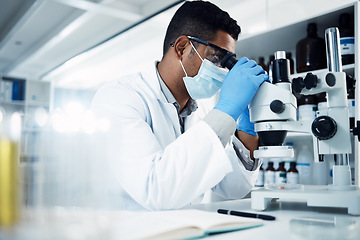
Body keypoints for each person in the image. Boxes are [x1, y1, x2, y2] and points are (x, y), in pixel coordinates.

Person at [91, 0, 269, 211]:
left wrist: (246, 133)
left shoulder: (200, 109)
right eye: (217, 58)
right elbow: (156, 189)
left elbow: (231, 188)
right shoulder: (120, 97)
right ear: (182, 48)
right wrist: (225, 111)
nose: (223, 70)